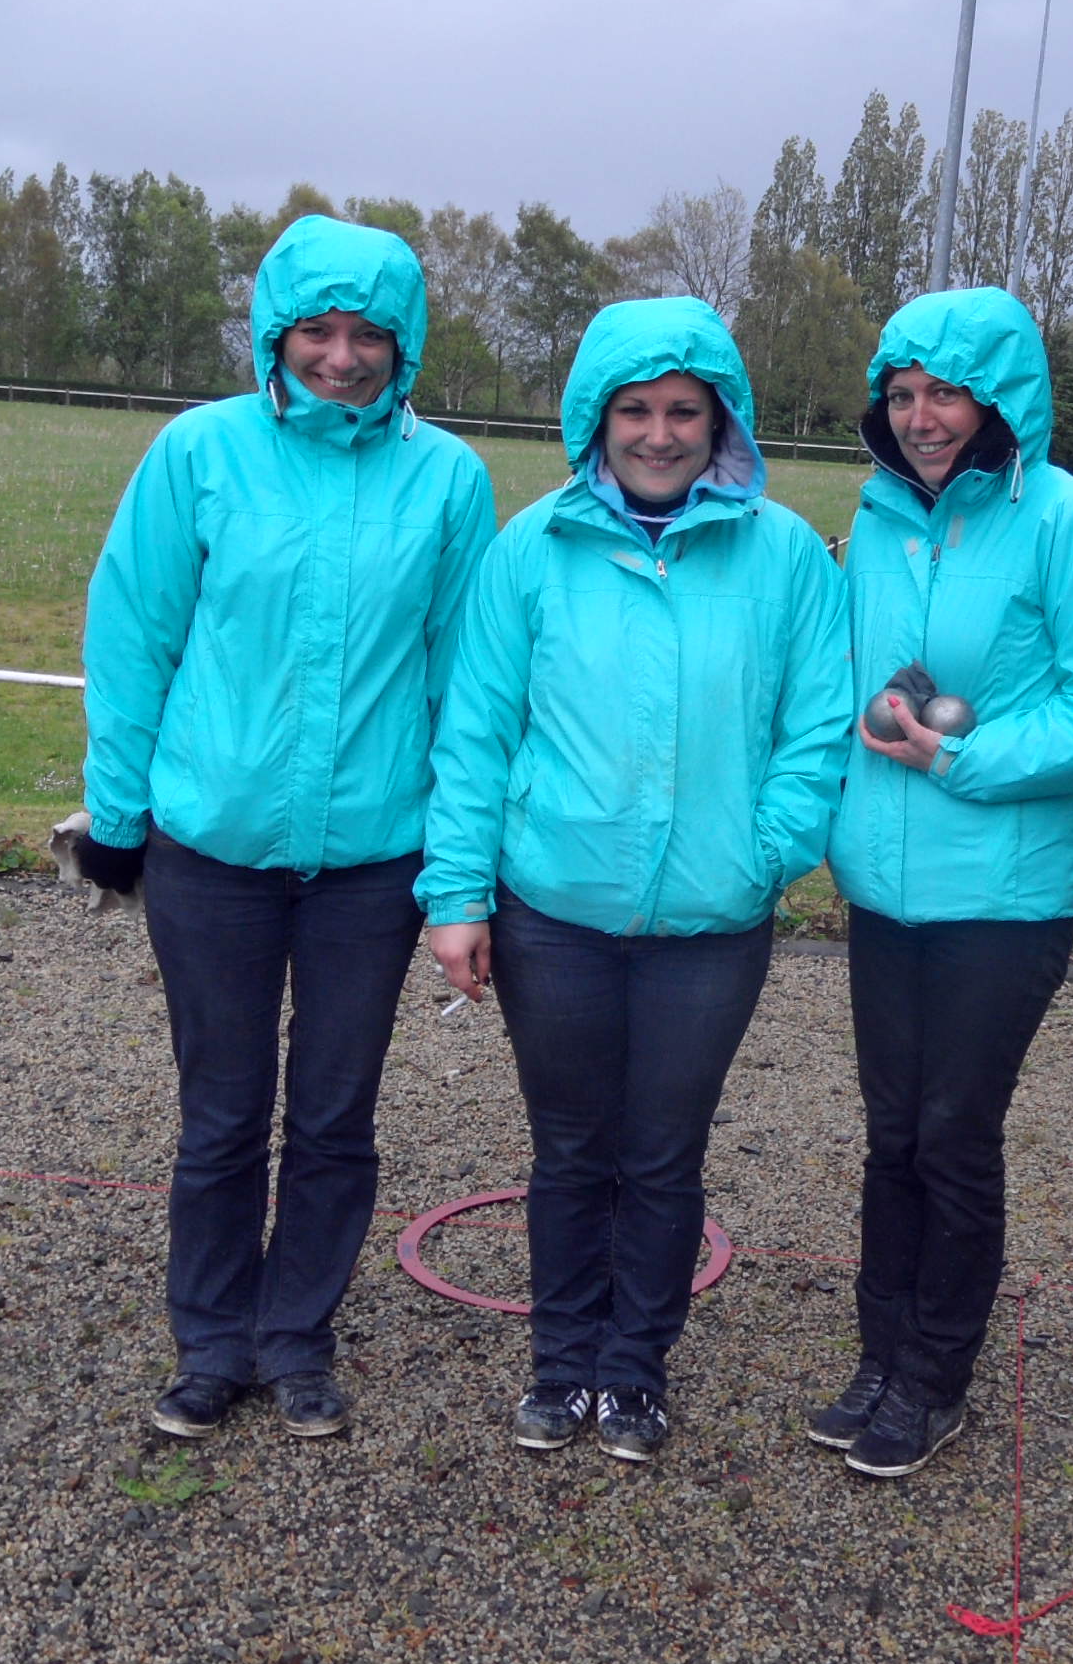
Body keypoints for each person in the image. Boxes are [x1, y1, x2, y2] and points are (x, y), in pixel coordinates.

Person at [77, 214, 496, 1442]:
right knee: (221, 1113)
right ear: (276, 333)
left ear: (404, 344)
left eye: (369, 334)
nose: (342, 357)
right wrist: (119, 814)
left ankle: (297, 1336)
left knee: (333, 1115)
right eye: (317, 330)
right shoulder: (198, 453)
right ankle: (210, 1339)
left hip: (371, 856)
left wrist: (461, 864)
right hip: (213, 848)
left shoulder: (448, 481)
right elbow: (134, 634)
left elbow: (467, 684)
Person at [418, 297, 849, 1463]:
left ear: (722, 422)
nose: (659, 434)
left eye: (684, 412)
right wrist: (457, 896)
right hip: (554, 914)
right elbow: (476, 734)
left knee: (662, 1155)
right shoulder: (531, 551)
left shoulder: (785, 558)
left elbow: (816, 728)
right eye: (636, 410)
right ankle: (561, 1366)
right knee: (570, 1152)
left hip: (710, 924)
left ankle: (635, 1373)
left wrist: (765, 851)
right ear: (596, 421)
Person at [813, 286, 1073, 1478]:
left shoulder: (1071, 523)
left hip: (1003, 898)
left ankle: (934, 1377)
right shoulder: (877, 523)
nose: (920, 418)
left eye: (946, 395)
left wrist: (962, 757)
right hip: (884, 890)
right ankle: (879, 1355)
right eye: (902, 394)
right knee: (891, 1135)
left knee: (953, 1135)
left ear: (1000, 401)